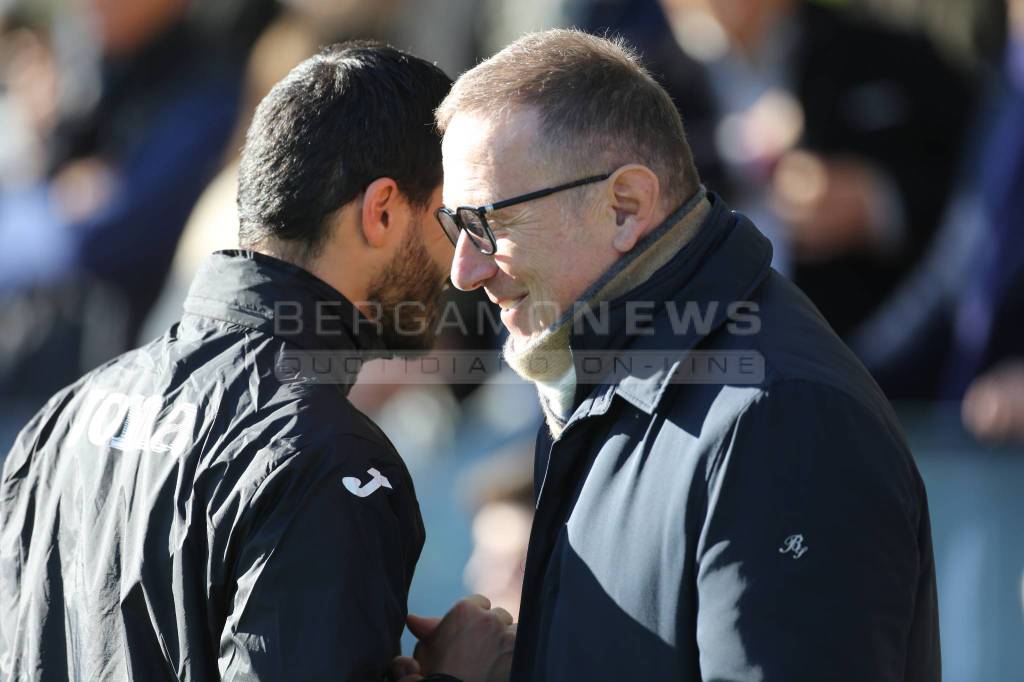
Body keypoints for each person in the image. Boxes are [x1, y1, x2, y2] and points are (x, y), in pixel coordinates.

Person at [420, 29, 940, 681]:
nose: (464, 272)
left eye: (487, 225)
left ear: (626, 206)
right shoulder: (610, 386)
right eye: (454, 227)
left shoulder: (780, 418)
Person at [0, 42, 512, 680]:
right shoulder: (328, 458)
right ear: (382, 211)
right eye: (450, 220)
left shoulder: (61, 418)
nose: (464, 267)